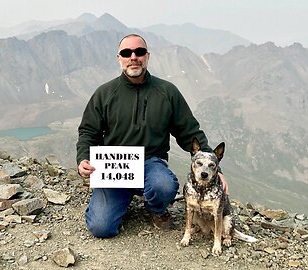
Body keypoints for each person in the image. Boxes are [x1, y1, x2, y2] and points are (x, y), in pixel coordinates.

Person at [76, 34, 228, 238]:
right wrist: (83, 158)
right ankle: (117, 200)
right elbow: (88, 131)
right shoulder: (105, 93)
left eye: (139, 52)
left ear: (147, 56)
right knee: (102, 228)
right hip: (112, 166)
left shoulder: (167, 92)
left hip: (151, 163)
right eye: (126, 53)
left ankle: (155, 209)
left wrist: (214, 167)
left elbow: (190, 132)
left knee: (164, 186)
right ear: (119, 57)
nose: (133, 57)